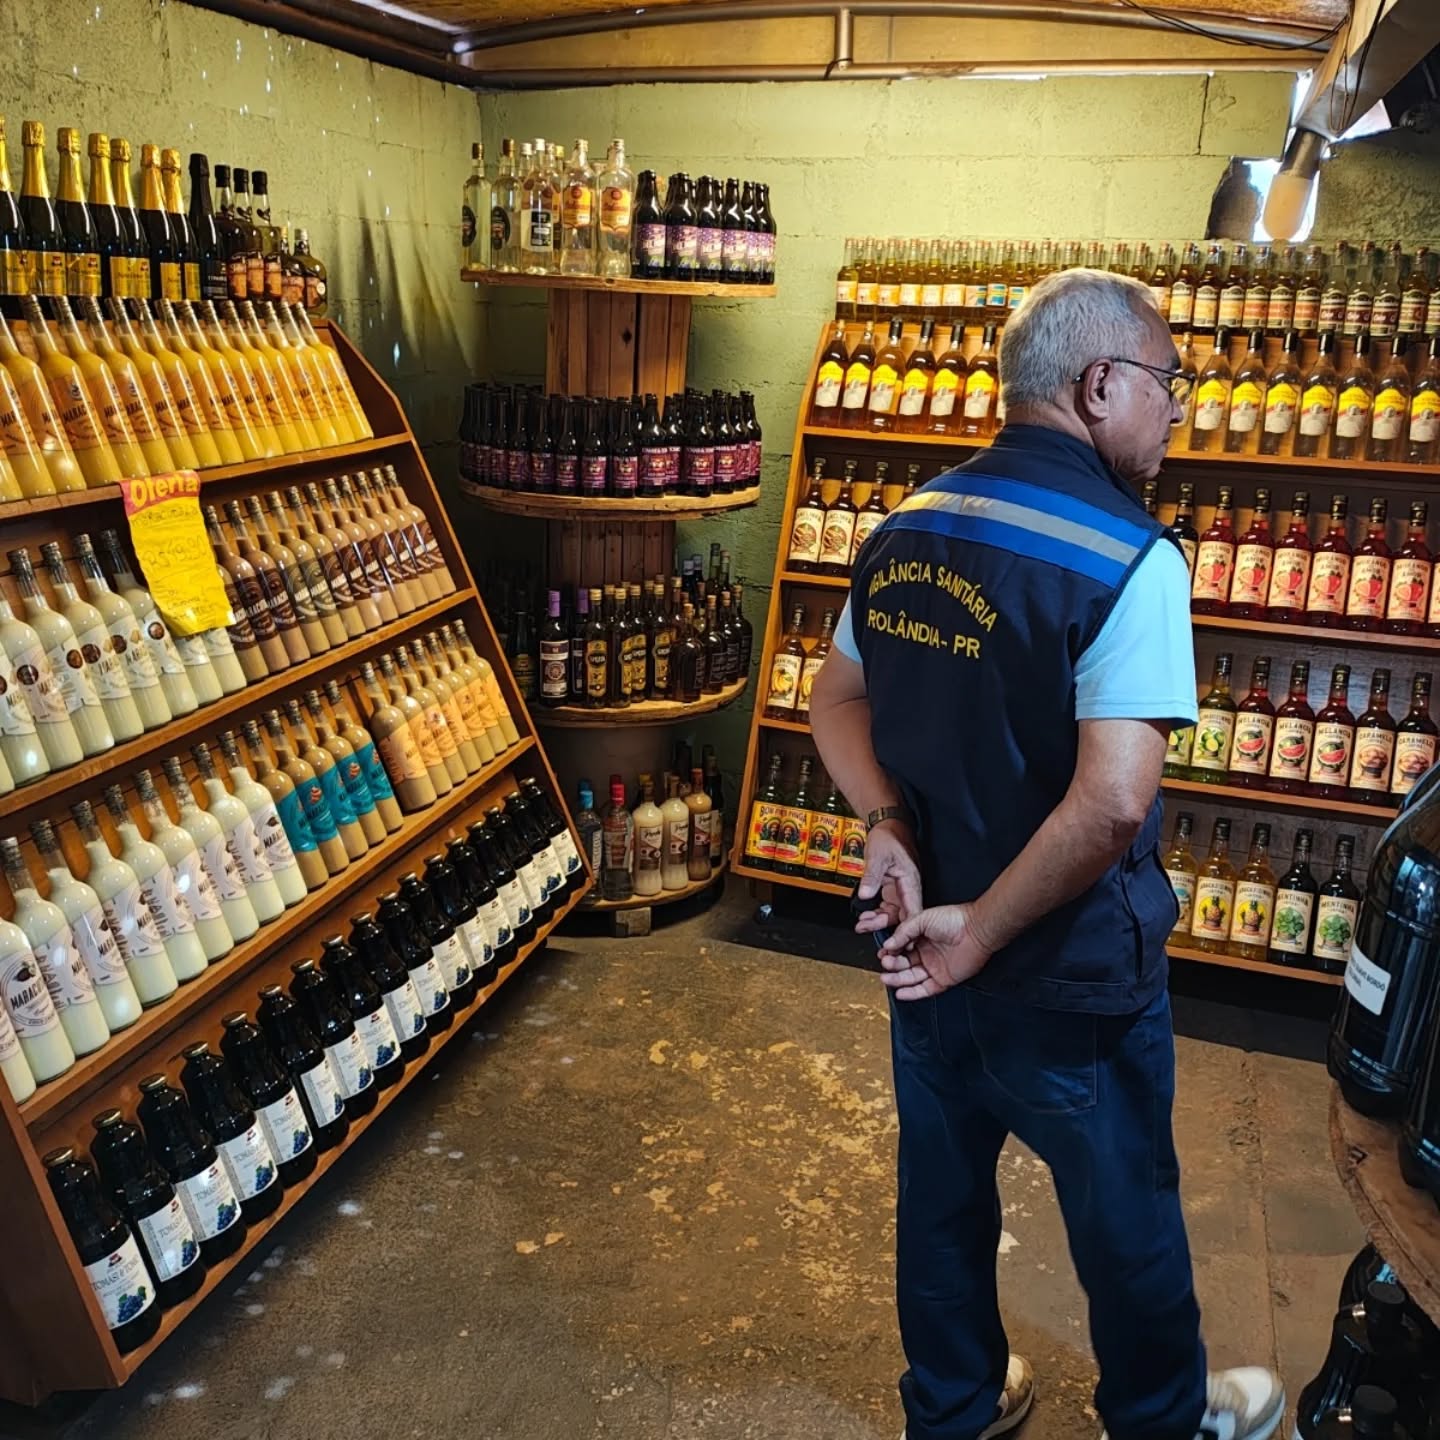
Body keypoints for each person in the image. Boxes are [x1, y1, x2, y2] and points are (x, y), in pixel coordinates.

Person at [808, 268, 1284, 1440]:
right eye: (1168, 382)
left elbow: (835, 701)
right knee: (1125, 1218)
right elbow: (1112, 806)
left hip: (922, 951)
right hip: (1065, 975)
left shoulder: (910, 522)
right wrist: (983, 933)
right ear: (1100, 383)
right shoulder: (1130, 558)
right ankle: (1161, 1419)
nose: (1177, 410)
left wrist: (888, 827)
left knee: (941, 1199)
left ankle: (954, 1407)